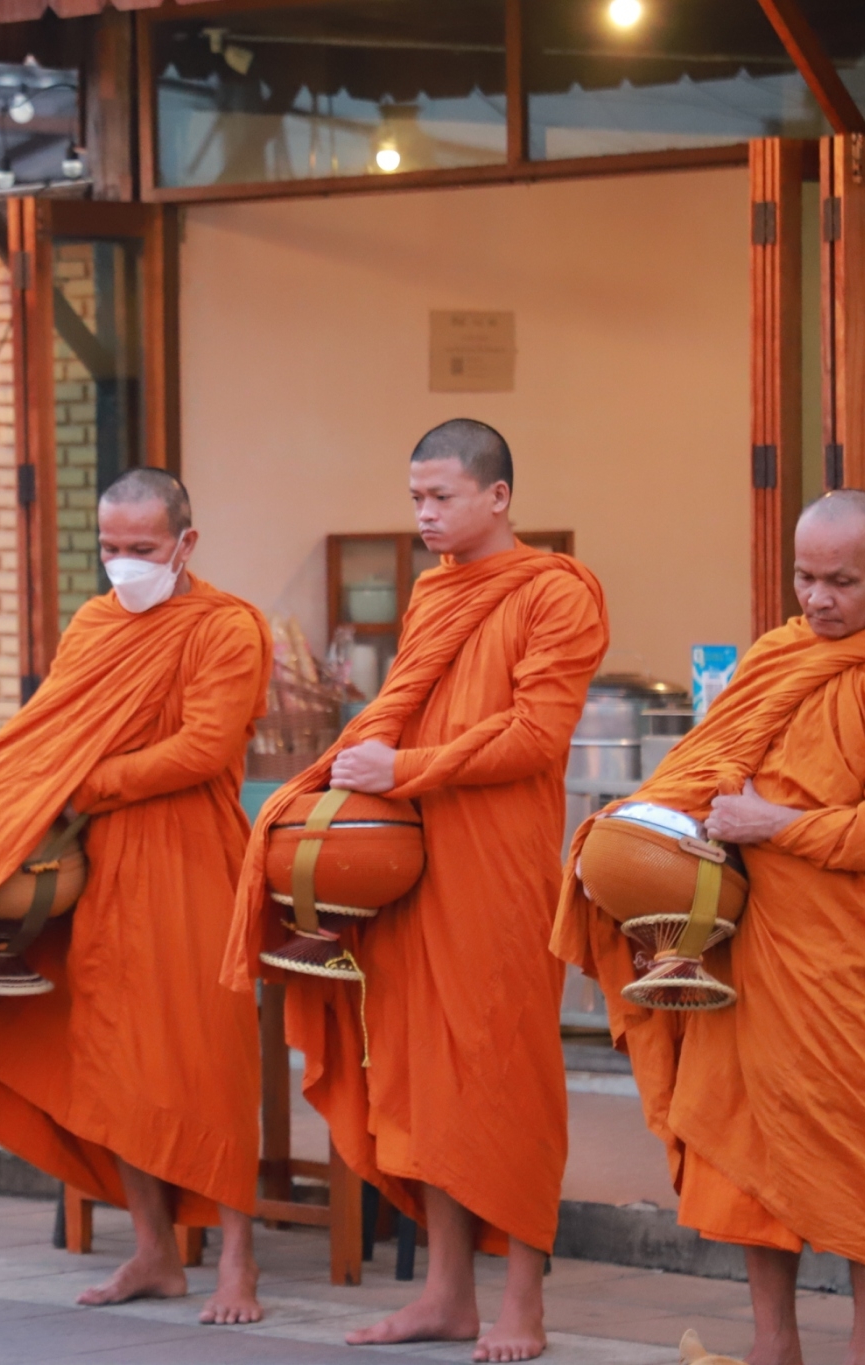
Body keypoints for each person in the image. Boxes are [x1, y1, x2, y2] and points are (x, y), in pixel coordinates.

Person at [553, 490, 865, 1365]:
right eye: (804, 577)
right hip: (734, 940)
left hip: (833, 955)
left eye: (842, 581)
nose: (817, 599)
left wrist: (772, 825)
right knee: (741, 1138)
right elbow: (703, 770)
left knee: (849, 1140)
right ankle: (773, 1343)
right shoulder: (775, 658)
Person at [228, 419, 609, 1363]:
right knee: (420, 1072)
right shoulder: (436, 593)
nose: (426, 514)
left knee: (509, 1074)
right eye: (416, 499)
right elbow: (398, 706)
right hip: (412, 862)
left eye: (441, 496)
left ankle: (522, 1301)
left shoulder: (557, 593)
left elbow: (537, 736)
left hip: (501, 866)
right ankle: (446, 1293)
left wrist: (401, 767)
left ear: (498, 497)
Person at [0, 468, 272, 1324]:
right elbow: (47, 733)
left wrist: (86, 781)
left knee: (210, 1057)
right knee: (115, 1057)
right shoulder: (94, 624)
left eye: (142, 548)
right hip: (102, 872)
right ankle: (153, 1250)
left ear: (185, 543)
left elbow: (203, 750)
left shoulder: (225, 627)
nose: (123, 564)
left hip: (190, 862)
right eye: (109, 548)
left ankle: (238, 1263)